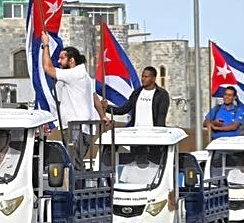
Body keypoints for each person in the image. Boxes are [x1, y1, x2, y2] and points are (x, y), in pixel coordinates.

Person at [40, 36, 100, 165]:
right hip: (79, 127)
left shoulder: (74, 74)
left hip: (76, 127)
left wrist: (46, 45)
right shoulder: (84, 76)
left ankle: (74, 179)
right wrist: (103, 116)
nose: (59, 61)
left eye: (62, 58)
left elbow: (48, 69)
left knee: (73, 163)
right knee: (72, 161)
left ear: (71, 60)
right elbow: (94, 97)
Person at [102, 66, 169, 127]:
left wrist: (159, 133)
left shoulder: (162, 94)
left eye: (146, 77)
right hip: (136, 131)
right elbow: (123, 109)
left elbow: (161, 117)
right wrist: (106, 107)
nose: (143, 79)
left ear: (153, 78)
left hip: (153, 132)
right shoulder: (137, 93)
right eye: (142, 76)